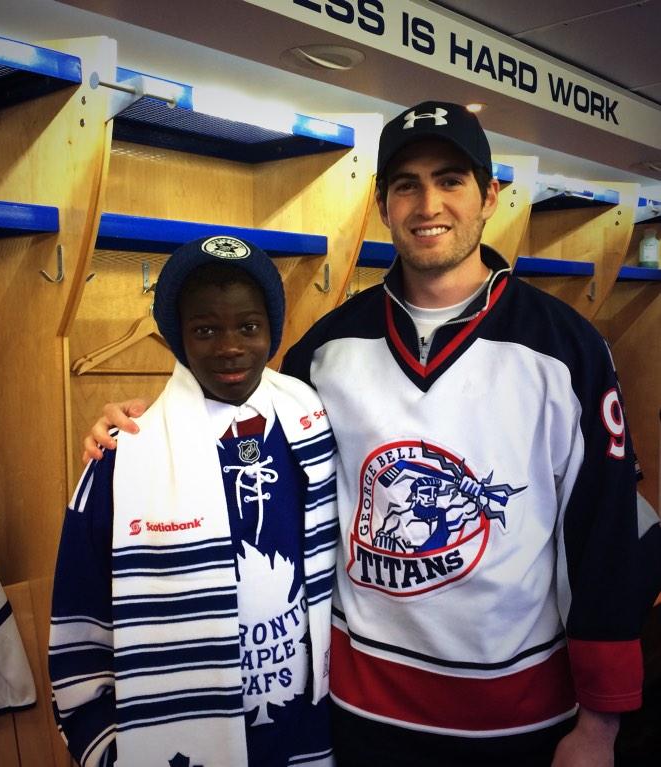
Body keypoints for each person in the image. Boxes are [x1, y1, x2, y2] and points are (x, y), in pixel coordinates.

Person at [81, 102, 648, 766]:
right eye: (405, 183)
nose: (426, 202)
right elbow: (237, 435)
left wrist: (600, 725)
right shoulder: (324, 348)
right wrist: (141, 432)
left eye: (449, 180)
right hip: (359, 714)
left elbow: (606, 532)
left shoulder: (566, 348)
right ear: (382, 203)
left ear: (489, 195)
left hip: (518, 717)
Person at [49, 235, 338, 767]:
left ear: (272, 330)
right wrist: (102, 743)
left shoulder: (317, 428)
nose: (230, 346)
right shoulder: (124, 457)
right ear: (177, 338)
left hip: (308, 733)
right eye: (205, 329)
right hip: (179, 740)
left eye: (249, 327)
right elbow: (80, 617)